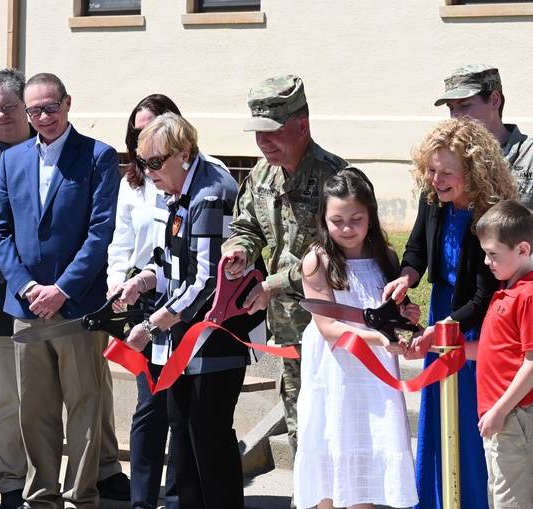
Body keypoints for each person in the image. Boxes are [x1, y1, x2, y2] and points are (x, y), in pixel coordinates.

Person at [430, 64, 533, 509]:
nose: (458, 116)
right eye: (451, 108)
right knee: (491, 455)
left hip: (528, 318)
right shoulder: (452, 162)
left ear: (495, 99)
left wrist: (510, 281)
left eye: (467, 105)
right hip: (478, 316)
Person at [0, 73, 119, 508]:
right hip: (27, 308)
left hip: (77, 305)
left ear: (67, 103)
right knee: (35, 407)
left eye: (50, 107)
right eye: (34, 110)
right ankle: (41, 496)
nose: (43, 117)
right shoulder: (12, 159)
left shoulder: (98, 156)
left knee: (84, 406)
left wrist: (62, 288)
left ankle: (83, 496)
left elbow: (101, 232)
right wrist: (26, 286)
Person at [122, 112, 266, 509]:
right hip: (184, 338)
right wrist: (141, 281)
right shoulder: (180, 190)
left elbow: (205, 280)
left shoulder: (210, 194)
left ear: (184, 154)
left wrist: (153, 325)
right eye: (141, 162)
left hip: (216, 340)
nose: (148, 171)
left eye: (155, 162)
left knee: (208, 436)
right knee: (182, 433)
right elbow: (172, 261)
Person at [383, 117, 519, 509]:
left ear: (473, 171)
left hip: (472, 327)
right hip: (443, 316)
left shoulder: (491, 215)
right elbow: (416, 251)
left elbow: (483, 294)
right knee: (437, 419)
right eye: (431, 169)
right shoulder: (433, 200)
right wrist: (407, 278)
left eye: (446, 172)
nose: (436, 179)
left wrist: (445, 329)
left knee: (466, 426)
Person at [220, 75, 348, 478]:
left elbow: (337, 254)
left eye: (272, 132)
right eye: (258, 132)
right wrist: (239, 249)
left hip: (330, 330)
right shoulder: (261, 175)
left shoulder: (337, 178)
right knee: (300, 428)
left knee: (335, 428)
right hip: (287, 332)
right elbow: (246, 225)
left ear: (302, 124)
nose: (263, 142)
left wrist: (273, 285)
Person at [294, 169, 419, 509]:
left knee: (365, 462)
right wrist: (379, 338)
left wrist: (406, 318)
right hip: (334, 371)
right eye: (337, 220)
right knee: (331, 452)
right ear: (324, 218)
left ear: (371, 215)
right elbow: (329, 328)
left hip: (374, 376)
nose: (347, 229)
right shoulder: (316, 260)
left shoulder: (386, 258)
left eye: (356, 219)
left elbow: (393, 311)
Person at [106, 94, 183, 509]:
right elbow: (120, 243)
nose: (144, 138)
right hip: (140, 299)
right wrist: (117, 283)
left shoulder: (201, 178)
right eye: (137, 132)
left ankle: (176, 498)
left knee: (179, 407)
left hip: (187, 301)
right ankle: (142, 502)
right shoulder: (131, 182)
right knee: (149, 405)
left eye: (152, 128)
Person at [469, 199, 533, 509]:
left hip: (517, 416)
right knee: (502, 498)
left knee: (514, 503)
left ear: (522, 250)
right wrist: (442, 346)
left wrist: (500, 410)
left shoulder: (529, 294)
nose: (488, 262)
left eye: (493, 254)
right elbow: (494, 350)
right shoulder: (508, 289)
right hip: (505, 416)